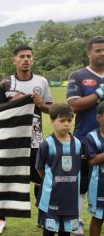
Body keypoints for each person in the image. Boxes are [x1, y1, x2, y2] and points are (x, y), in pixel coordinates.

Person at [0, 45, 53, 235]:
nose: (26, 59)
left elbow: (50, 109)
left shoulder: (41, 81)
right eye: (22, 56)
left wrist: (41, 104)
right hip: (11, 140)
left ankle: (43, 215)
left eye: (29, 56)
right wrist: (13, 103)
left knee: (42, 177)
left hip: (35, 139)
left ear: (32, 60)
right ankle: (0, 219)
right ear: (14, 60)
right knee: (6, 179)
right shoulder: (5, 84)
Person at [66, 35, 104, 236]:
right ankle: (77, 222)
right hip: (84, 139)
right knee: (82, 183)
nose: (102, 53)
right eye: (98, 50)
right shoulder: (78, 75)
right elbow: (73, 105)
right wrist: (98, 93)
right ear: (88, 52)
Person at [36, 104, 81, 236]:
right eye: (62, 121)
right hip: (51, 199)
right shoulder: (46, 144)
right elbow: (40, 169)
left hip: (70, 199)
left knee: (65, 232)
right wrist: (52, 181)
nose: (66, 124)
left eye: (69, 120)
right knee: (49, 232)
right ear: (52, 121)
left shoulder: (77, 144)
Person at [85, 101, 104, 236]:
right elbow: (92, 160)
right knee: (98, 218)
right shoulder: (91, 137)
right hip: (99, 185)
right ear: (98, 117)